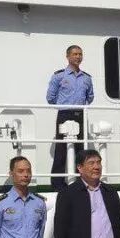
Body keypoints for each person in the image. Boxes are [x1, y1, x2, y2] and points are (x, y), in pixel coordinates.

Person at [46, 45, 94, 192]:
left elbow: (90, 97)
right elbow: (50, 97)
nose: (78, 57)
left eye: (80, 54)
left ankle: (80, 181)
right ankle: (57, 184)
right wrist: (64, 105)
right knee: (61, 150)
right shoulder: (59, 76)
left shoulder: (86, 78)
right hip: (65, 114)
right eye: (75, 54)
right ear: (68, 56)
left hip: (79, 114)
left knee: (80, 150)